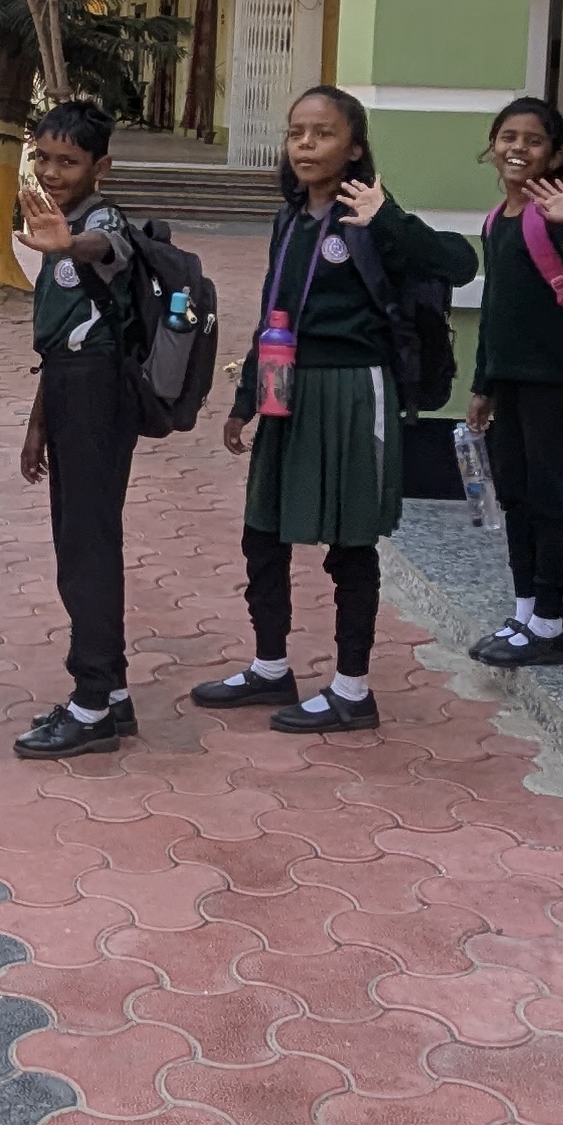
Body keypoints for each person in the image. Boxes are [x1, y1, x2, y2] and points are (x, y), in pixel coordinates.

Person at [195, 86, 481, 732]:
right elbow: (276, 311)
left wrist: (388, 218)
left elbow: (459, 264)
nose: (305, 145)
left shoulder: (371, 217)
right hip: (286, 388)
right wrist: (244, 400)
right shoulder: (290, 219)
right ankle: (271, 666)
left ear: (353, 148)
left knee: (350, 544)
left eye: (322, 134)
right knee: (262, 532)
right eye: (296, 132)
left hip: (354, 392)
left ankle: (352, 690)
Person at [464, 97, 563, 669]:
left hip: (553, 381)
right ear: (492, 145)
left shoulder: (557, 214)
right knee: (514, 495)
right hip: (508, 382)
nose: (518, 148)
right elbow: (494, 311)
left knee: (547, 498)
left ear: (555, 155)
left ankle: (551, 626)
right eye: (508, 137)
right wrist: (482, 385)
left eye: (533, 140)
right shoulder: (496, 220)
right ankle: (525, 613)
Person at [13, 98, 141, 758]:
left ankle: (90, 704)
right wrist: (38, 424)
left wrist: (70, 242)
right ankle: (111, 693)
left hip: (98, 393)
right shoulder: (54, 224)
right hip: (67, 384)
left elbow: (108, 248)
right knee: (80, 542)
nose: (51, 172)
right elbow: (60, 336)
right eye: (43, 158)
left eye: (68, 161)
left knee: (87, 547)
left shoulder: (100, 220)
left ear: (100, 167)